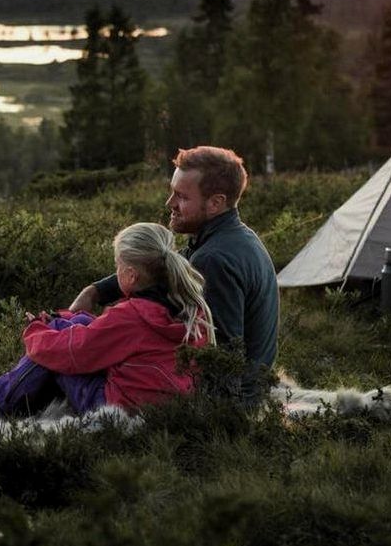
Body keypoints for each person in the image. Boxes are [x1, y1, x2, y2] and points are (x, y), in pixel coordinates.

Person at [69, 146, 279, 403]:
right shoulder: (232, 238)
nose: (170, 203)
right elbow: (166, 266)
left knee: (75, 368)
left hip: (228, 401)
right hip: (246, 390)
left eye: (181, 197)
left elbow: (223, 355)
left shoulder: (213, 260)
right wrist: (96, 291)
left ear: (215, 203)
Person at [0, 222, 213, 420]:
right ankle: (3, 391)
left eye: (117, 265)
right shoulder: (190, 306)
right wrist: (64, 320)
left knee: (52, 349)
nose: (116, 271)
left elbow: (70, 353)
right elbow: (106, 335)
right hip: (163, 402)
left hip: (118, 407)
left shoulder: (132, 316)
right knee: (70, 322)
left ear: (132, 275)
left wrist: (35, 329)